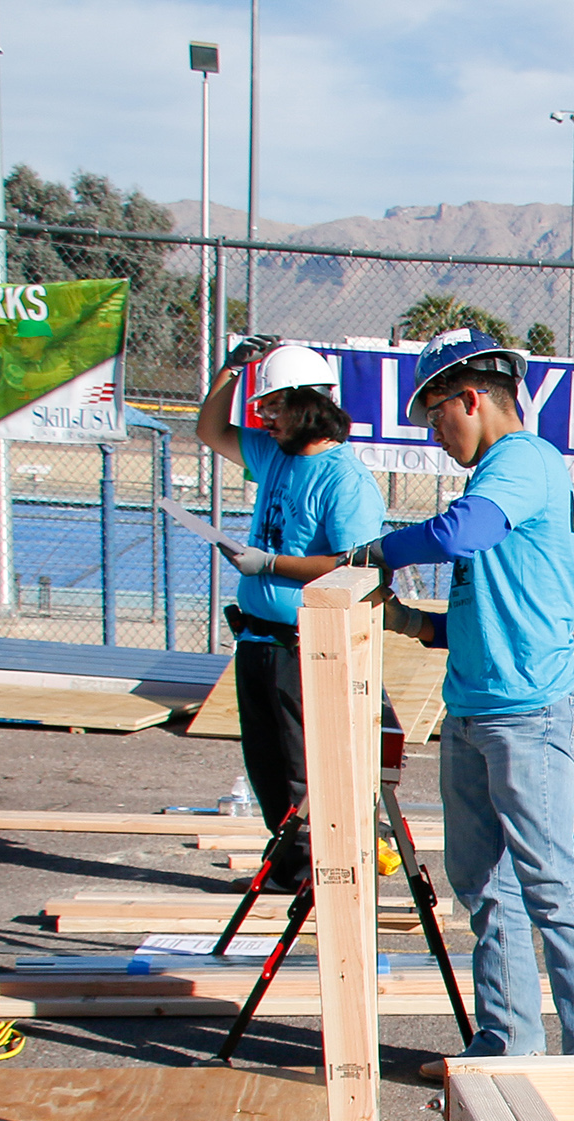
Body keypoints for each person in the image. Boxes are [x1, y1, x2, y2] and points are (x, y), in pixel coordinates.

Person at [306, 327, 574, 1075]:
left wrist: (372, 553)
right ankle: (506, 1044)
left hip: (529, 712)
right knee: (485, 887)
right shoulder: (503, 474)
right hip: (479, 707)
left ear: (471, 399)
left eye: (435, 415)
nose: (436, 434)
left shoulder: (522, 462)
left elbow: (463, 534)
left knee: (549, 885)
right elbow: (498, 606)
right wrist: (416, 623)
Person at [191, 338, 384, 889]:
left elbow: (356, 567)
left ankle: (317, 878)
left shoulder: (343, 479)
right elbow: (210, 432)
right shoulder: (275, 456)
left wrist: (272, 563)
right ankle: (286, 868)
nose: (265, 420)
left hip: (305, 643)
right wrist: (231, 369)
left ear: (303, 406)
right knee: (266, 764)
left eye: (273, 408)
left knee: (305, 767)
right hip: (258, 639)